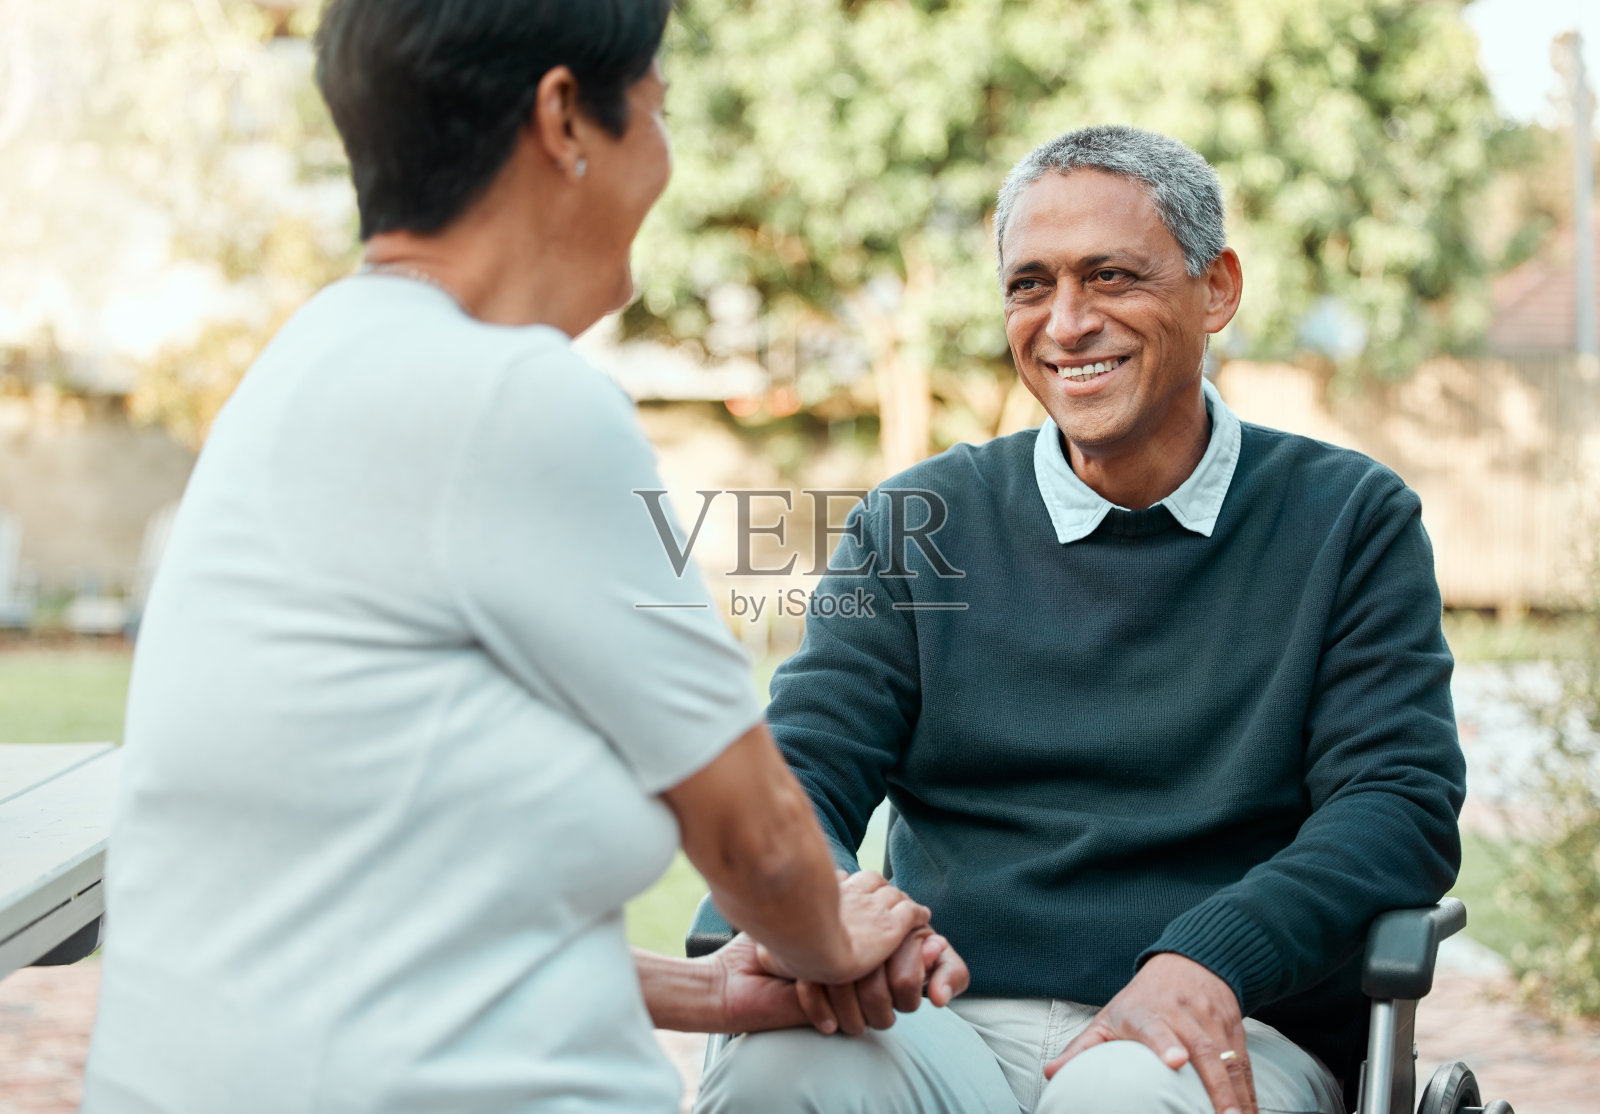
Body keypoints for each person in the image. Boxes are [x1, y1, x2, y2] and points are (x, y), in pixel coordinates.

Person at [80, 3, 965, 1112]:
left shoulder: (310, 361)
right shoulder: (517, 401)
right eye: (657, 110)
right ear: (563, 120)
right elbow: (758, 837)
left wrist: (707, 992)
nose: (664, 159)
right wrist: (839, 935)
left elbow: (380, 893)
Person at [694, 125, 1466, 1114]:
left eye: (1109, 277)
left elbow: (1393, 806)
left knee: (1122, 1098)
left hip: (1218, 1014)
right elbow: (797, 768)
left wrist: (1210, 954)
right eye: (1030, 284)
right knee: (774, 1067)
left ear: (1216, 288)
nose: (1065, 323)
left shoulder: (1347, 518)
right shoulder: (916, 521)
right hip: (949, 1012)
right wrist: (826, 905)